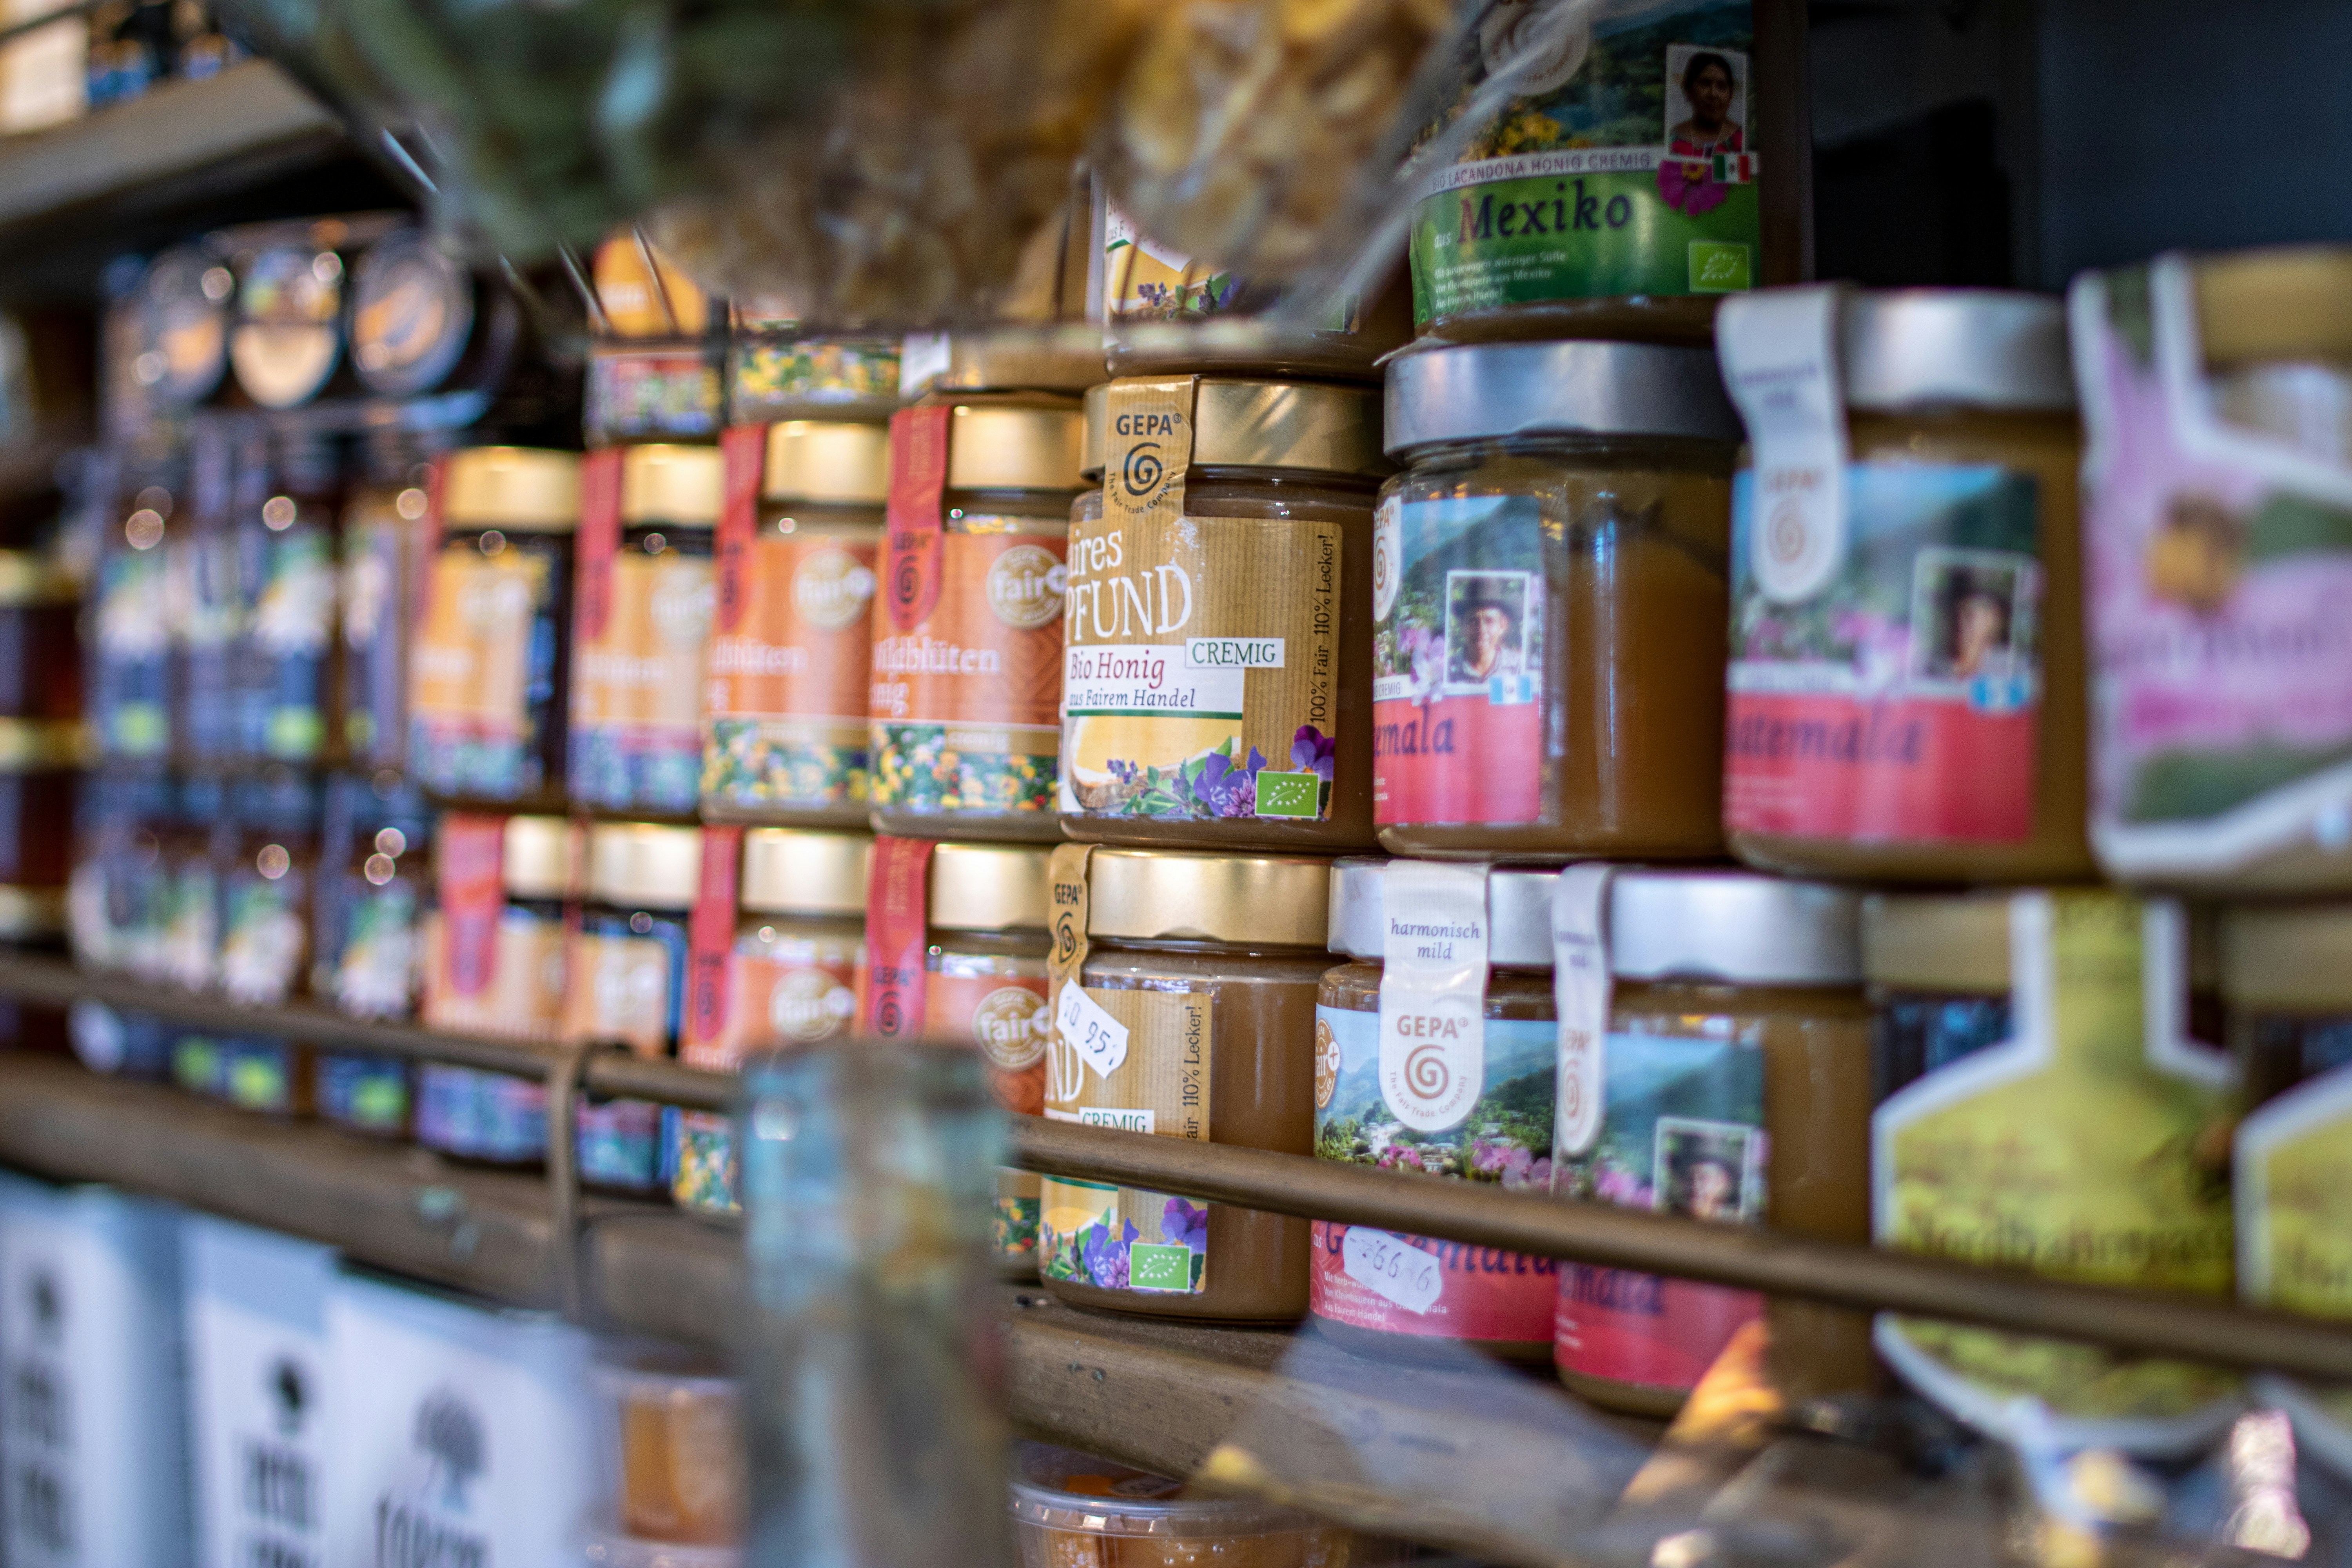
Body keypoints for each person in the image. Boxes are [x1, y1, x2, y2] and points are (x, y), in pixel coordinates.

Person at [1670, 52, 1742, 155]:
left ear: (1731, 94)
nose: (1713, 94)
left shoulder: (1741, 141)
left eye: (1722, 86)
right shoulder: (1672, 140)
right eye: (1705, 84)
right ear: (1688, 90)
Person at [1448, 590, 1523, 685]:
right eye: (1473, 622)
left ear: (1502, 625)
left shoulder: (1518, 667)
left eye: (1489, 621)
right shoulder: (1448, 670)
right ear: (1462, 626)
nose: (1481, 630)